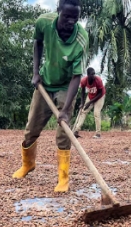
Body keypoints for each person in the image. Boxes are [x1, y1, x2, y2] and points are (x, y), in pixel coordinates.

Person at [12, 0, 88, 193]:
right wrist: (35, 72)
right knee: (31, 129)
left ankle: (63, 178)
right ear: (58, 12)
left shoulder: (81, 38)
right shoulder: (44, 22)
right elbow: (37, 43)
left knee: (64, 132)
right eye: (67, 16)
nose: (71, 21)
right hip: (45, 83)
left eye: (75, 18)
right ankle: (27, 164)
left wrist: (64, 109)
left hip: (66, 86)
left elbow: (76, 76)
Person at [72, 67, 106, 139]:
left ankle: (98, 134)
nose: (93, 75)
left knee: (96, 113)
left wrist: (90, 102)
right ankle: (76, 131)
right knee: (83, 111)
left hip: (99, 97)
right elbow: (83, 92)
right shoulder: (84, 80)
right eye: (91, 74)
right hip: (90, 96)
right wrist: (82, 103)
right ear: (88, 75)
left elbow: (100, 93)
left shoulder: (98, 80)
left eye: (94, 74)